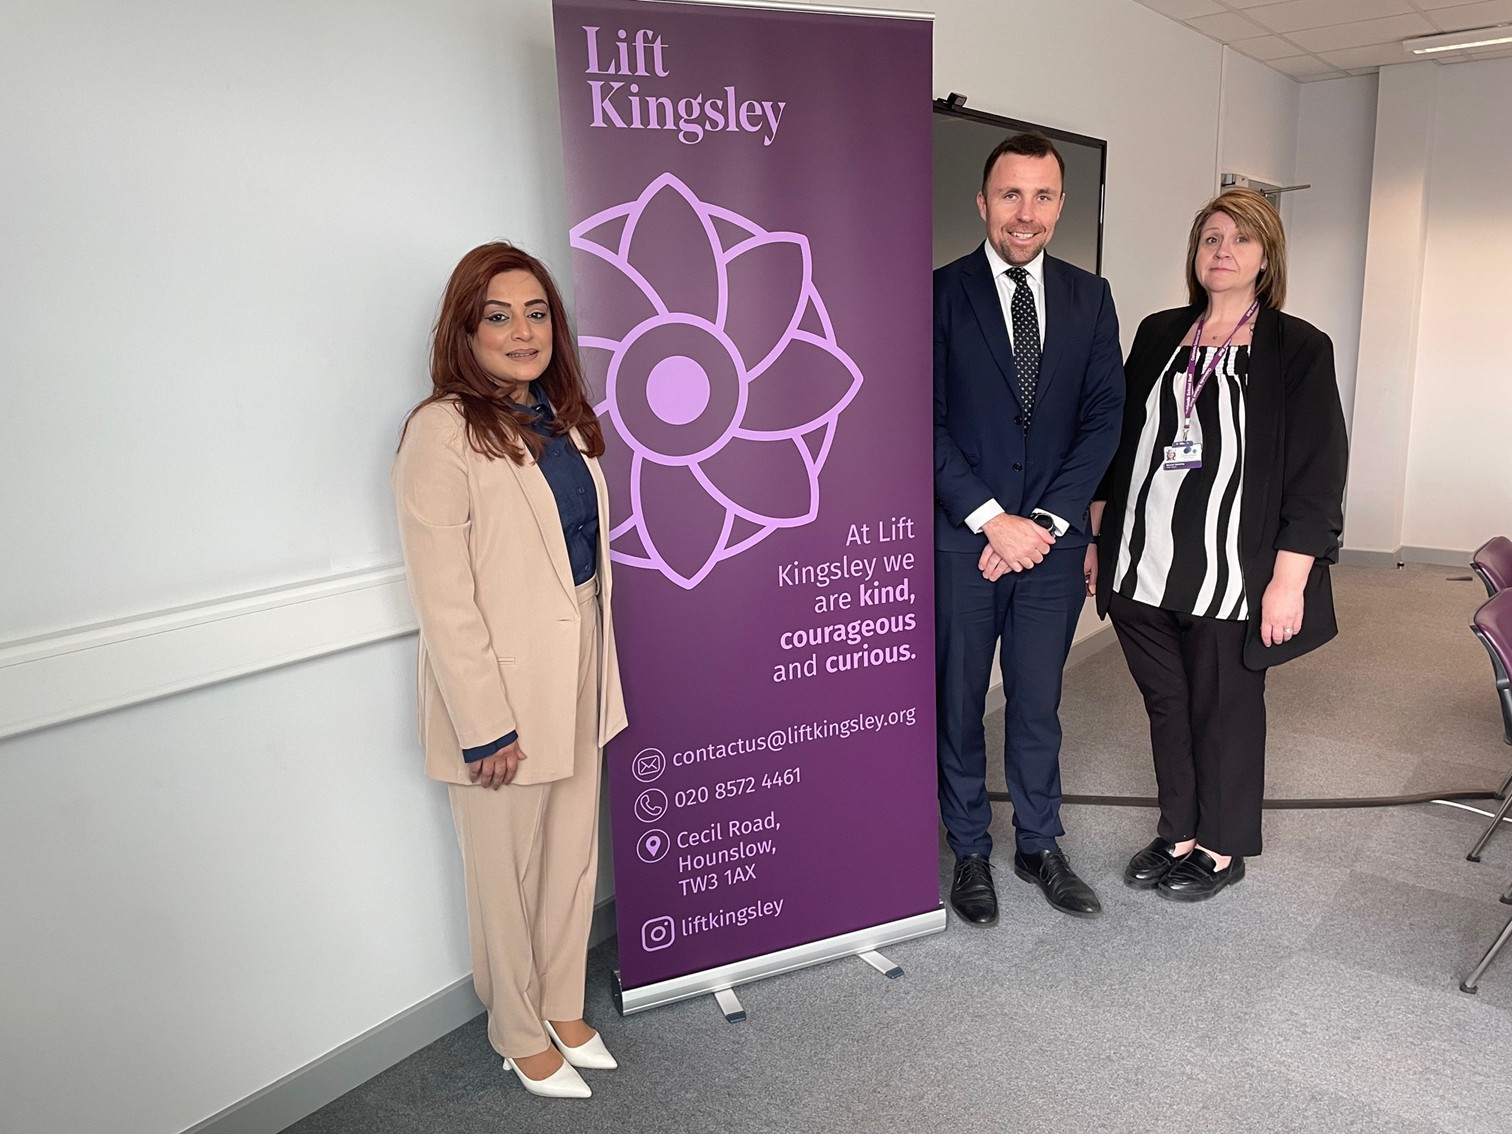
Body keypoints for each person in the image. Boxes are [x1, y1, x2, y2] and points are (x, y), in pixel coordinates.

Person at [392, 242, 628, 1097]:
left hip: (579, 669)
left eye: (536, 313)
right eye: (499, 315)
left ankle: (561, 1001)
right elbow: (443, 596)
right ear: (467, 330)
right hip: (499, 692)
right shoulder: (440, 430)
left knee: (570, 857)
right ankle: (516, 1028)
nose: (522, 331)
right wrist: (483, 721)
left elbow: (582, 561)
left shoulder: (559, 418)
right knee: (506, 872)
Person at [1090, 188, 1348, 901]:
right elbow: (1119, 445)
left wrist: (1289, 579)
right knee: (1168, 705)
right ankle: (1176, 831)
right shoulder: (1158, 333)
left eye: (1240, 240)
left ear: (1267, 257)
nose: (1222, 252)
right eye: (1210, 239)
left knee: (1224, 709)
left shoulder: (1297, 347)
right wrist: (1099, 536)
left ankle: (1220, 846)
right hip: (1142, 564)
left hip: (1231, 572)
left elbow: (1318, 473)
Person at [934, 132, 1124, 925]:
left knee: (1040, 702)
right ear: (983, 204)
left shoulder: (1090, 295)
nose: (1026, 212)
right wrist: (990, 518)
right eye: (1011, 194)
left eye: (1043, 196)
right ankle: (971, 847)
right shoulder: (939, 292)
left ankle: (1040, 841)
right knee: (959, 700)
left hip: (1048, 546)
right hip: (965, 540)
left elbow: (1104, 418)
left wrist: (1041, 524)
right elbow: (923, 422)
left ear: (1060, 206)